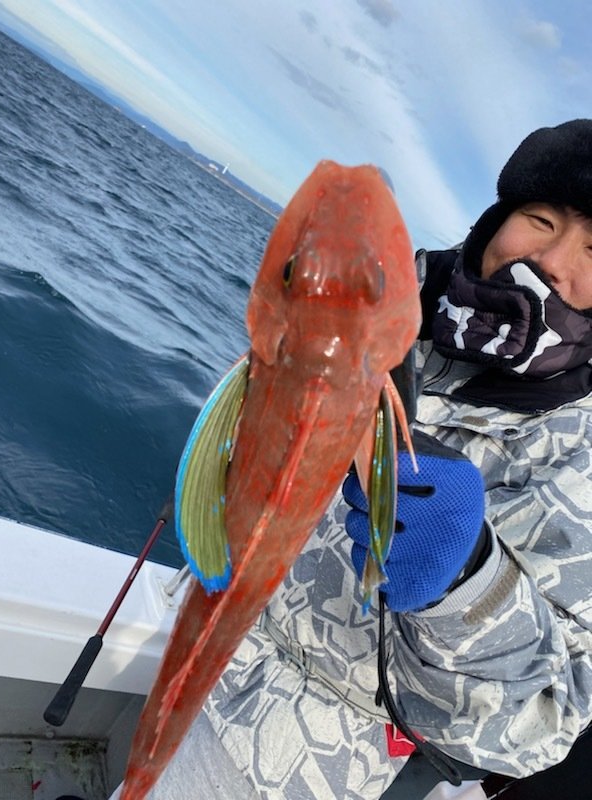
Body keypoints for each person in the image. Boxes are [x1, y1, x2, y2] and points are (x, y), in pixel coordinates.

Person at [114, 120, 592, 800]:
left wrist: (468, 580)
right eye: (539, 219)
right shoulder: (410, 309)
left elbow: (541, 727)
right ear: (497, 221)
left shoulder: (581, 449)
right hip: (200, 655)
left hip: (301, 762)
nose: (551, 260)